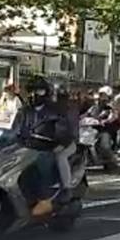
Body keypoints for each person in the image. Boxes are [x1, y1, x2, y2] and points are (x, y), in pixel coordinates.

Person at [20, 77, 76, 214]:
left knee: (51, 160)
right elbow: (14, 126)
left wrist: (59, 141)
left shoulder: (56, 109)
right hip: (32, 146)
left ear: (46, 92)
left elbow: (64, 129)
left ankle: (58, 192)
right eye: (31, 91)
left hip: (54, 145)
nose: (34, 94)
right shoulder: (25, 110)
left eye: (38, 91)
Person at [85, 86, 120, 152]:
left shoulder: (111, 108)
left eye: (104, 95)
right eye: (101, 95)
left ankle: (108, 156)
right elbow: (87, 114)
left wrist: (107, 120)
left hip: (107, 130)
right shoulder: (94, 107)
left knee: (105, 142)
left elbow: (114, 116)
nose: (102, 98)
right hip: (94, 130)